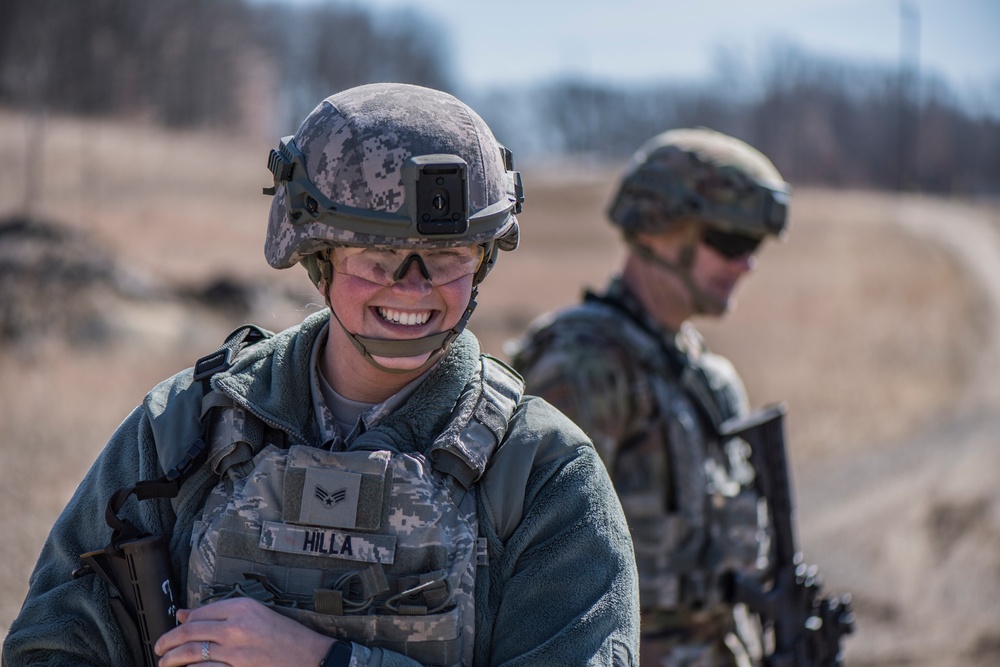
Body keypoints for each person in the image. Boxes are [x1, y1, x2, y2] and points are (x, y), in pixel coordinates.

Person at [4, 83, 639, 667]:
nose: (413, 289)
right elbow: (51, 646)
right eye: (379, 255)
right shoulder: (187, 429)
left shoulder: (542, 474)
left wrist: (323, 660)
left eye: (447, 257)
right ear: (319, 259)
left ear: (483, 261)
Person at [508, 128, 790, 667]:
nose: (746, 265)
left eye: (754, 248)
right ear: (657, 229)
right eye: (731, 242)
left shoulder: (709, 378)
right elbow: (529, 576)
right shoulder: (583, 368)